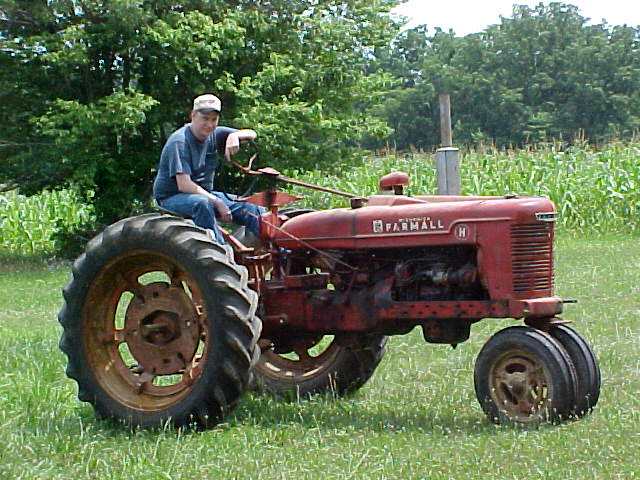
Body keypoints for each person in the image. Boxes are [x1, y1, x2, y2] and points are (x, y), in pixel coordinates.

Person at [153, 94, 264, 244]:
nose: (210, 124)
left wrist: (235, 136)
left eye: (214, 119)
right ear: (193, 115)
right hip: (172, 197)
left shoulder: (214, 134)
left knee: (252, 207)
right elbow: (184, 184)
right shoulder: (180, 141)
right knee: (203, 204)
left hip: (205, 194)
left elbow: (252, 133)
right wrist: (218, 202)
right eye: (205, 119)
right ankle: (221, 250)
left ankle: (274, 251)